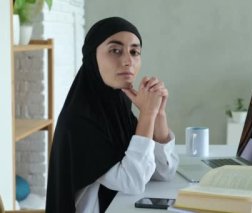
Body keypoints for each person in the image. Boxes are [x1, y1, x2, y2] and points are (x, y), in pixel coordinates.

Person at [46, 17, 179, 213]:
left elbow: (163, 172)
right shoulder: (79, 121)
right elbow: (133, 182)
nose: (128, 61)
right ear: (92, 58)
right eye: (115, 50)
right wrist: (147, 115)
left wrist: (158, 114)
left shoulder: (117, 105)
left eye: (135, 52)